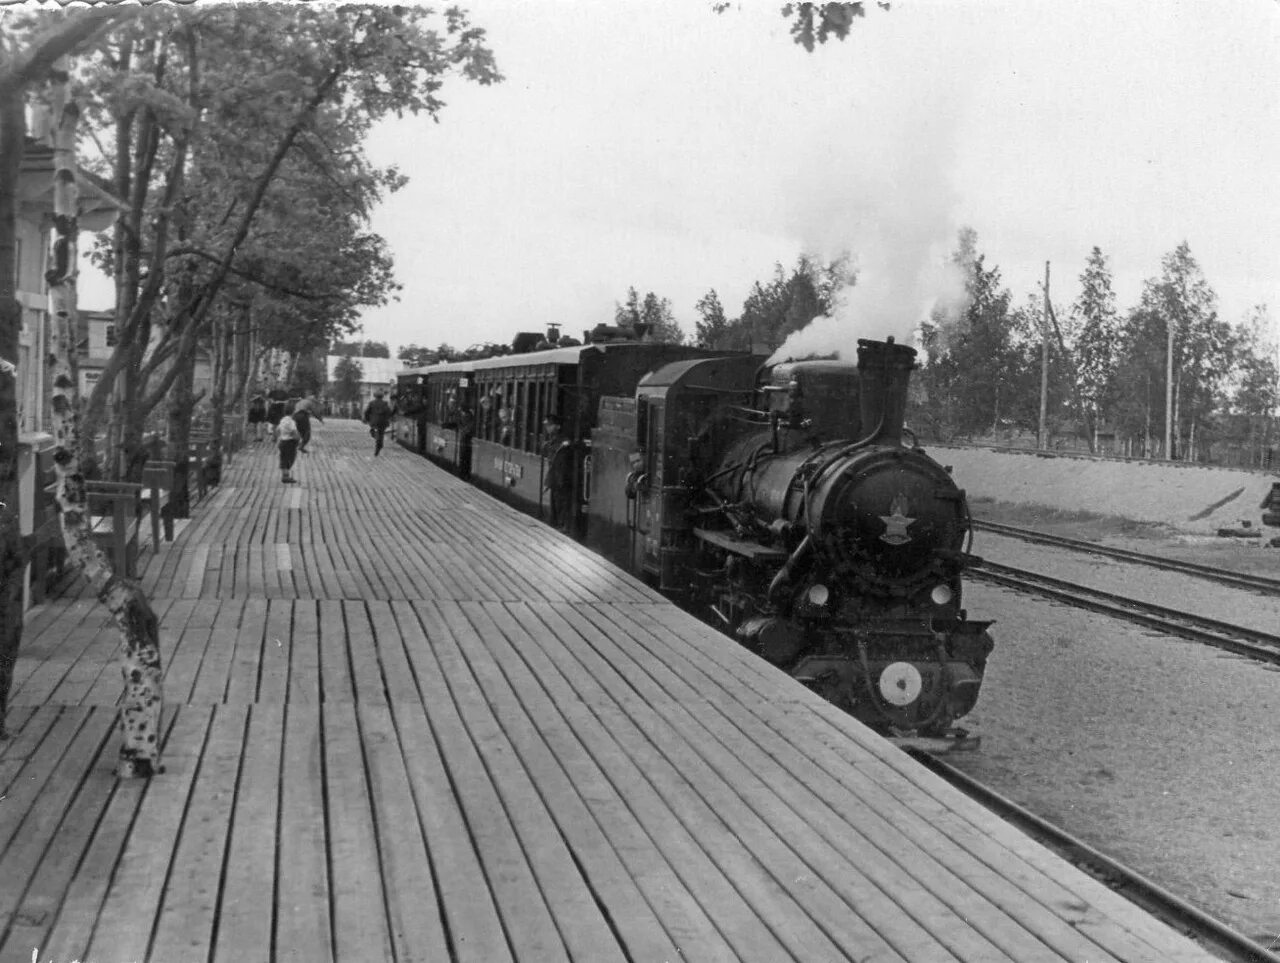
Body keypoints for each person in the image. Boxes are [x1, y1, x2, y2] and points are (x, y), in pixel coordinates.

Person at [541, 413, 574, 531]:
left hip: (561, 476)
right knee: (556, 500)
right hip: (555, 476)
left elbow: (559, 461)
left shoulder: (563, 440)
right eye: (547, 425)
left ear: (558, 426)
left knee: (562, 501)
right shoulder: (552, 440)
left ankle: (562, 525)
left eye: (550, 425)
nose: (547, 428)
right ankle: (557, 523)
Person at [363, 391, 393, 456]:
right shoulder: (385, 403)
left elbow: (366, 412)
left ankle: (375, 436)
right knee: (381, 434)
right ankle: (380, 444)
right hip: (383, 422)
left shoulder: (371, 403)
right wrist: (387, 418)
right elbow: (389, 412)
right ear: (382, 397)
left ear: (375, 396)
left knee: (374, 431)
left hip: (374, 421)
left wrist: (367, 419)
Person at [277, 409, 300, 483]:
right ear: (293, 412)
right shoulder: (291, 421)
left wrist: (280, 437)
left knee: (284, 458)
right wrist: (298, 439)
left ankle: (285, 475)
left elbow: (277, 430)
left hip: (282, 441)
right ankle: (286, 476)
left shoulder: (282, 420)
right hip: (289, 442)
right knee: (290, 459)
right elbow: (294, 432)